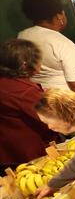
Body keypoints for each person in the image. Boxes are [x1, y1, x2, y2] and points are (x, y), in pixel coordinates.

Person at [17, 0, 75, 98]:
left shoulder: (22, 36)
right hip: (69, 103)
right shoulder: (62, 43)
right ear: (59, 16)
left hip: (43, 100)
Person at [0, 38, 57, 168]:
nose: (40, 63)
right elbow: (51, 117)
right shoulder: (22, 90)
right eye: (37, 59)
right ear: (25, 64)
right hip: (30, 155)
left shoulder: (5, 83)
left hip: (7, 154)